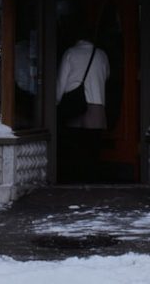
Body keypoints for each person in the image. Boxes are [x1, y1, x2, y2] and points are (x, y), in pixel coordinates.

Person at [55, 22, 109, 182]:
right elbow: (106, 77)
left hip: (76, 107)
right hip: (97, 108)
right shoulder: (102, 55)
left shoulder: (70, 53)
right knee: (93, 150)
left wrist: (56, 103)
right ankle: (92, 182)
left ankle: (75, 181)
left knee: (75, 150)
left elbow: (60, 83)